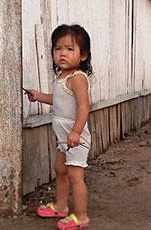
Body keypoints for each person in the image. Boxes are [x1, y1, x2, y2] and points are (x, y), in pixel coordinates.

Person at [26, 24, 92, 230]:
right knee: (60, 170)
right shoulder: (63, 77)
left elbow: (83, 107)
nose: (62, 53)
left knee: (75, 176)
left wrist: (76, 132)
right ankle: (61, 207)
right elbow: (58, 99)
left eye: (69, 49)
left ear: (83, 55)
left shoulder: (78, 78)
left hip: (75, 137)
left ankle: (81, 217)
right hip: (64, 137)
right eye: (58, 48)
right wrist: (38, 96)